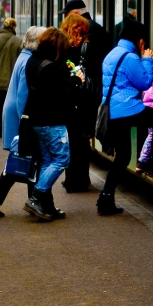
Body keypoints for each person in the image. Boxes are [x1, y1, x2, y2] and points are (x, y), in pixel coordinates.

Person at [0, 26, 43, 217]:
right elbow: (23, 96)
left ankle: (0, 196)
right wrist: (26, 121)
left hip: (16, 113)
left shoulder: (24, 56)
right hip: (20, 115)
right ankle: (32, 200)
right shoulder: (28, 61)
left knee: (23, 160)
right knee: (27, 159)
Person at [97, 19, 153, 216]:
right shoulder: (130, 57)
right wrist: (147, 59)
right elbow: (145, 82)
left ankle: (105, 197)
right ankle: (149, 158)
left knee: (122, 156)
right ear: (139, 41)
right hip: (127, 110)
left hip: (114, 111)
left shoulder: (112, 54)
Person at [22, 28, 78, 221]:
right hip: (52, 120)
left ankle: (47, 206)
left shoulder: (33, 60)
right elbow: (60, 95)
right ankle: (37, 197)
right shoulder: (52, 68)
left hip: (36, 119)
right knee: (62, 159)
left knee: (47, 161)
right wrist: (73, 80)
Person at [59, 13, 93, 191]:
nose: (82, 38)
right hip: (72, 103)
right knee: (75, 142)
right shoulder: (65, 52)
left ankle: (79, 177)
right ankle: (74, 179)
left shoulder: (74, 50)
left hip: (79, 103)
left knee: (79, 142)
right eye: (79, 34)